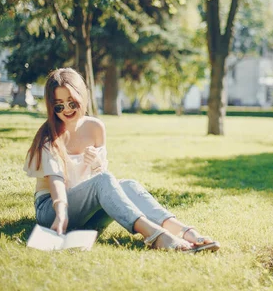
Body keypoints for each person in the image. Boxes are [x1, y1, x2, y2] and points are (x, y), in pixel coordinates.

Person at [23, 68, 219, 252]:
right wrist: (61, 212)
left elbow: (101, 181)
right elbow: (56, 180)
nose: (66, 109)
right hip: (53, 211)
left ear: (82, 97)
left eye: (71, 102)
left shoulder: (95, 128)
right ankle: (156, 236)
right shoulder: (50, 137)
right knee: (105, 180)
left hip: (85, 213)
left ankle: (185, 231)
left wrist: (95, 164)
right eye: (59, 105)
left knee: (128, 185)